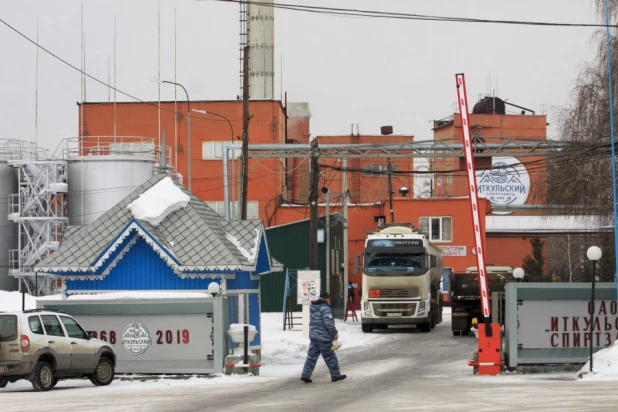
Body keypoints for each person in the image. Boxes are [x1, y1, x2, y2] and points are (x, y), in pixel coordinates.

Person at [300, 291, 346, 383]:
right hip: (324, 337)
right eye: (328, 298)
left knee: (311, 356)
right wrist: (334, 333)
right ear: (325, 298)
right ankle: (335, 375)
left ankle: (305, 375)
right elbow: (328, 323)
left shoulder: (313, 307)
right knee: (330, 357)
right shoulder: (325, 308)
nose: (329, 300)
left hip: (314, 336)